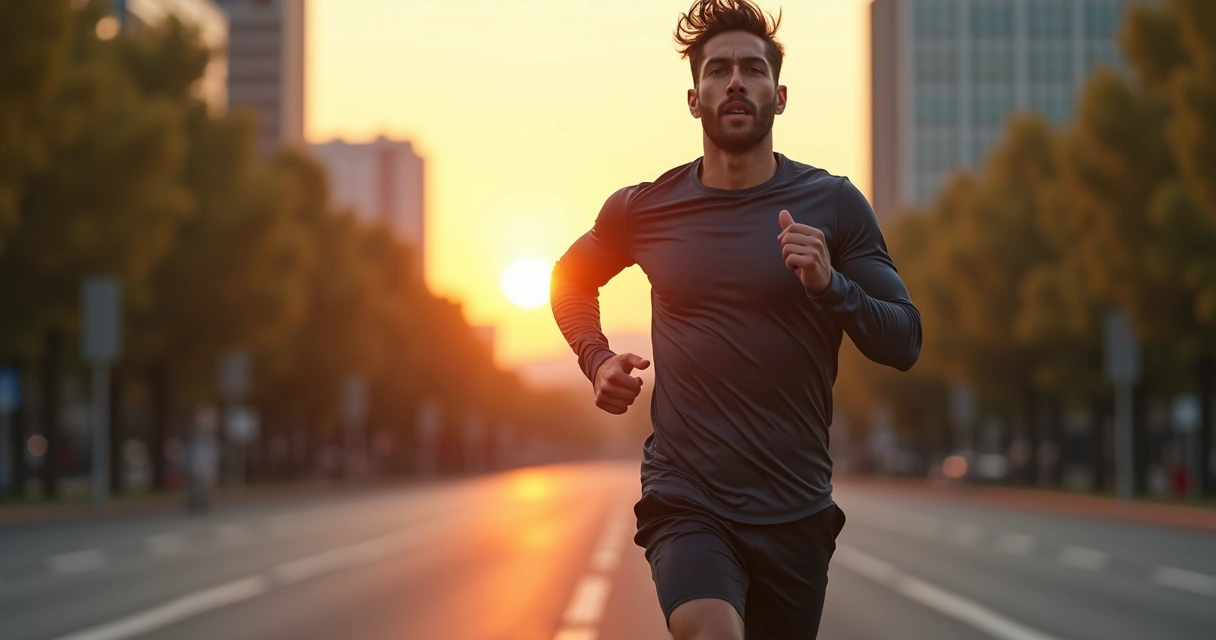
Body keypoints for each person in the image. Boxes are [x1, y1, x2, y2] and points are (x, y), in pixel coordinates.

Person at [549, 0, 922, 637]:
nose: (735, 82)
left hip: (796, 506)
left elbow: (904, 339)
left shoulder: (833, 204)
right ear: (694, 98)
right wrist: (597, 357)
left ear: (779, 95)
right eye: (718, 70)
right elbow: (569, 279)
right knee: (711, 630)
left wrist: (831, 285)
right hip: (686, 495)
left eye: (751, 69)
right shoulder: (644, 208)